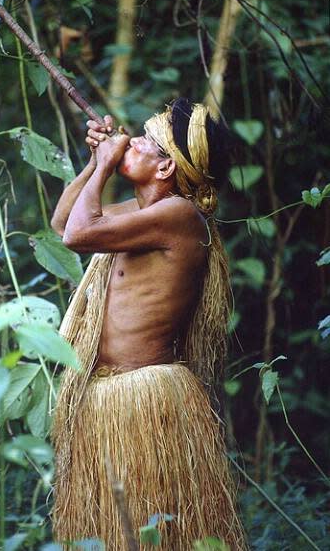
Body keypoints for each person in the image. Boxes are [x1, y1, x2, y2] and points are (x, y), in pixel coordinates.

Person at [50, 99, 247, 550]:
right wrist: (91, 165)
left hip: (145, 398)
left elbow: (79, 234)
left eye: (145, 142)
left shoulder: (178, 216)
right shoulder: (139, 216)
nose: (130, 143)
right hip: (107, 398)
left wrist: (104, 165)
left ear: (164, 169)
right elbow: (65, 222)